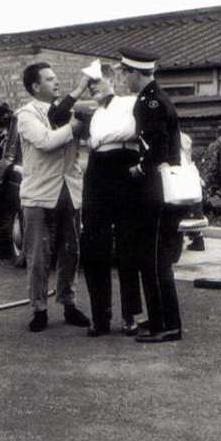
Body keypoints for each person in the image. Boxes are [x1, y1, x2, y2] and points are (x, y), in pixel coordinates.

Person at [16, 62, 92, 332]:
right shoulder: (26, 115)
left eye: (56, 78)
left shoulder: (67, 111)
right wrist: (74, 126)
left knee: (71, 252)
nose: (56, 83)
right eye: (49, 79)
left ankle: (69, 304)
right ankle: (39, 310)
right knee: (38, 257)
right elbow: (46, 141)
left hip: (69, 191)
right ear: (35, 86)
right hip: (39, 195)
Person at [120, 47, 185, 343]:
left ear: (136, 73)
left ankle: (168, 326)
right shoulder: (152, 99)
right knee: (150, 257)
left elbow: (157, 149)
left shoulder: (152, 104)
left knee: (157, 259)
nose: (124, 78)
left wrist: (139, 169)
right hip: (158, 190)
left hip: (157, 191)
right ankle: (158, 318)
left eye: (125, 73)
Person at [81, 63, 145, 337]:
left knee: (128, 244)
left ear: (113, 79)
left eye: (95, 81)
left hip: (124, 165)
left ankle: (130, 315)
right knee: (95, 244)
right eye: (88, 84)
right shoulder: (93, 114)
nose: (92, 88)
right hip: (97, 170)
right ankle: (100, 317)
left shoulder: (130, 102)